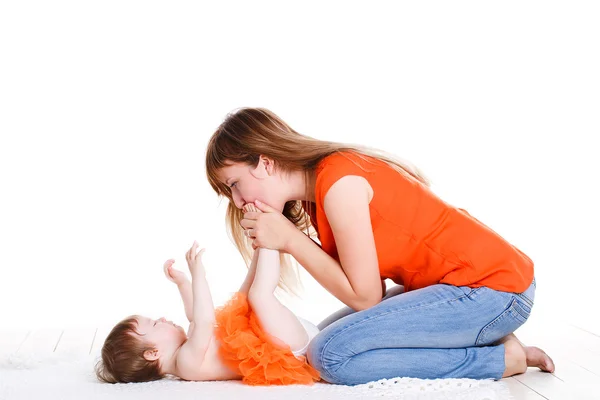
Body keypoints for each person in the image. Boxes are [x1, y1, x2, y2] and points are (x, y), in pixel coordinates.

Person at [204, 107, 555, 385]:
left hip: (494, 290)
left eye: (235, 184)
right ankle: (487, 341)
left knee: (331, 355)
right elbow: (365, 288)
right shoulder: (319, 194)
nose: (237, 201)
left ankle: (499, 360)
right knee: (322, 341)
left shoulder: (339, 184)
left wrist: (291, 240)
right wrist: (286, 239)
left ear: (264, 162)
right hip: (467, 289)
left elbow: (366, 296)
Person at [94, 204, 321, 386]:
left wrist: (182, 282)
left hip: (280, 334)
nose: (162, 319)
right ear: (153, 353)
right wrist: (198, 273)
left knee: (245, 298)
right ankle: (271, 237)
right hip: (287, 348)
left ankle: (262, 242)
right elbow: (204, 320)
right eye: (154, 324)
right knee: (258, 296)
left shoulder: (188, 347)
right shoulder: (186, 365)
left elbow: (194, 315)